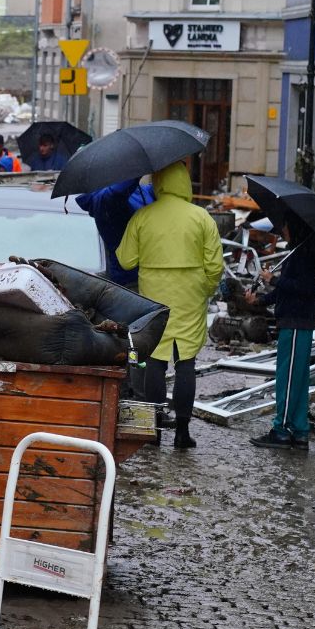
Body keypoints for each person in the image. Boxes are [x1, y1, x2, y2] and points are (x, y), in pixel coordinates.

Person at [116, 162, 223, 450]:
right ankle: (182, 432)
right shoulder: (202, 217)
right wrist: (205, 289)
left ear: (159, 182)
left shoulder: (143, 216)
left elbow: (126, 260)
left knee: (155, 359)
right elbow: (215, 266)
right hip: (190, 295)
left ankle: (154, 430)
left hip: (154, 295)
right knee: (186, 361)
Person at [246, 224, 315, 450]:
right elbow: (285, 292)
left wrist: (272, 279)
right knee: (297, 379)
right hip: (294, 323)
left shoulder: (303, 254)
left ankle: (282, 431)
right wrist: (260, 301)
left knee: (287, 379)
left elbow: (303, 288)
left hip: (297, 324)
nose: (282, 231)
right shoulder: (295, 253)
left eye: (286, 227)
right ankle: (299, 431)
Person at [73, 177, 156, 289]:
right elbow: (115, 194)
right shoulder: (103, 199)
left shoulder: (140, 190)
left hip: (153, 272)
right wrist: (135, 172)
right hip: (129, 281)